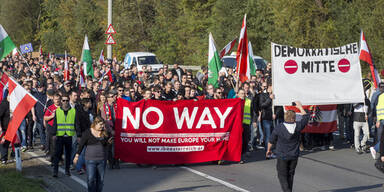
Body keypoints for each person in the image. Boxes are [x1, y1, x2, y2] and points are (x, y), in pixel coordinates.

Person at [266, 101, 309, 192]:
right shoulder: (298, 126)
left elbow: (271, 140)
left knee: (282, 175)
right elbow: (306, 117)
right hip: (294, 155)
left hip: (283, 155)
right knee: (290, 175)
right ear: (294, 118)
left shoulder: (279, 127)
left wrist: (268, 150)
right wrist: (300, 107)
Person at [74, 116, 112, 192]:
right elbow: (81, 145)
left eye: (103, 125)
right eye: (100, 125)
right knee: (91, 179)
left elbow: (106, 145)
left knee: (100, 180)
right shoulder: (87, 132)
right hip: (90, 160)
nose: (102, 126)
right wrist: (76, 156)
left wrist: (108, 142)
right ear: (95, 124)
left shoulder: (104, 133)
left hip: (101, 160)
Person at [52, 93, 79, 177]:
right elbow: (55, 123)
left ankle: (67, 170)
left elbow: (76, 124)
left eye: (67, 100)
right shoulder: (57, 111)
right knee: (57, 154)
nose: (65, 102)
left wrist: (79, 135)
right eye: (63, 100)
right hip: (60, 136)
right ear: (61, 101)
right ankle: (55, 171)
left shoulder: (73, 111)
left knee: (68, 155)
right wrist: (54, 134)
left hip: (69, 136)